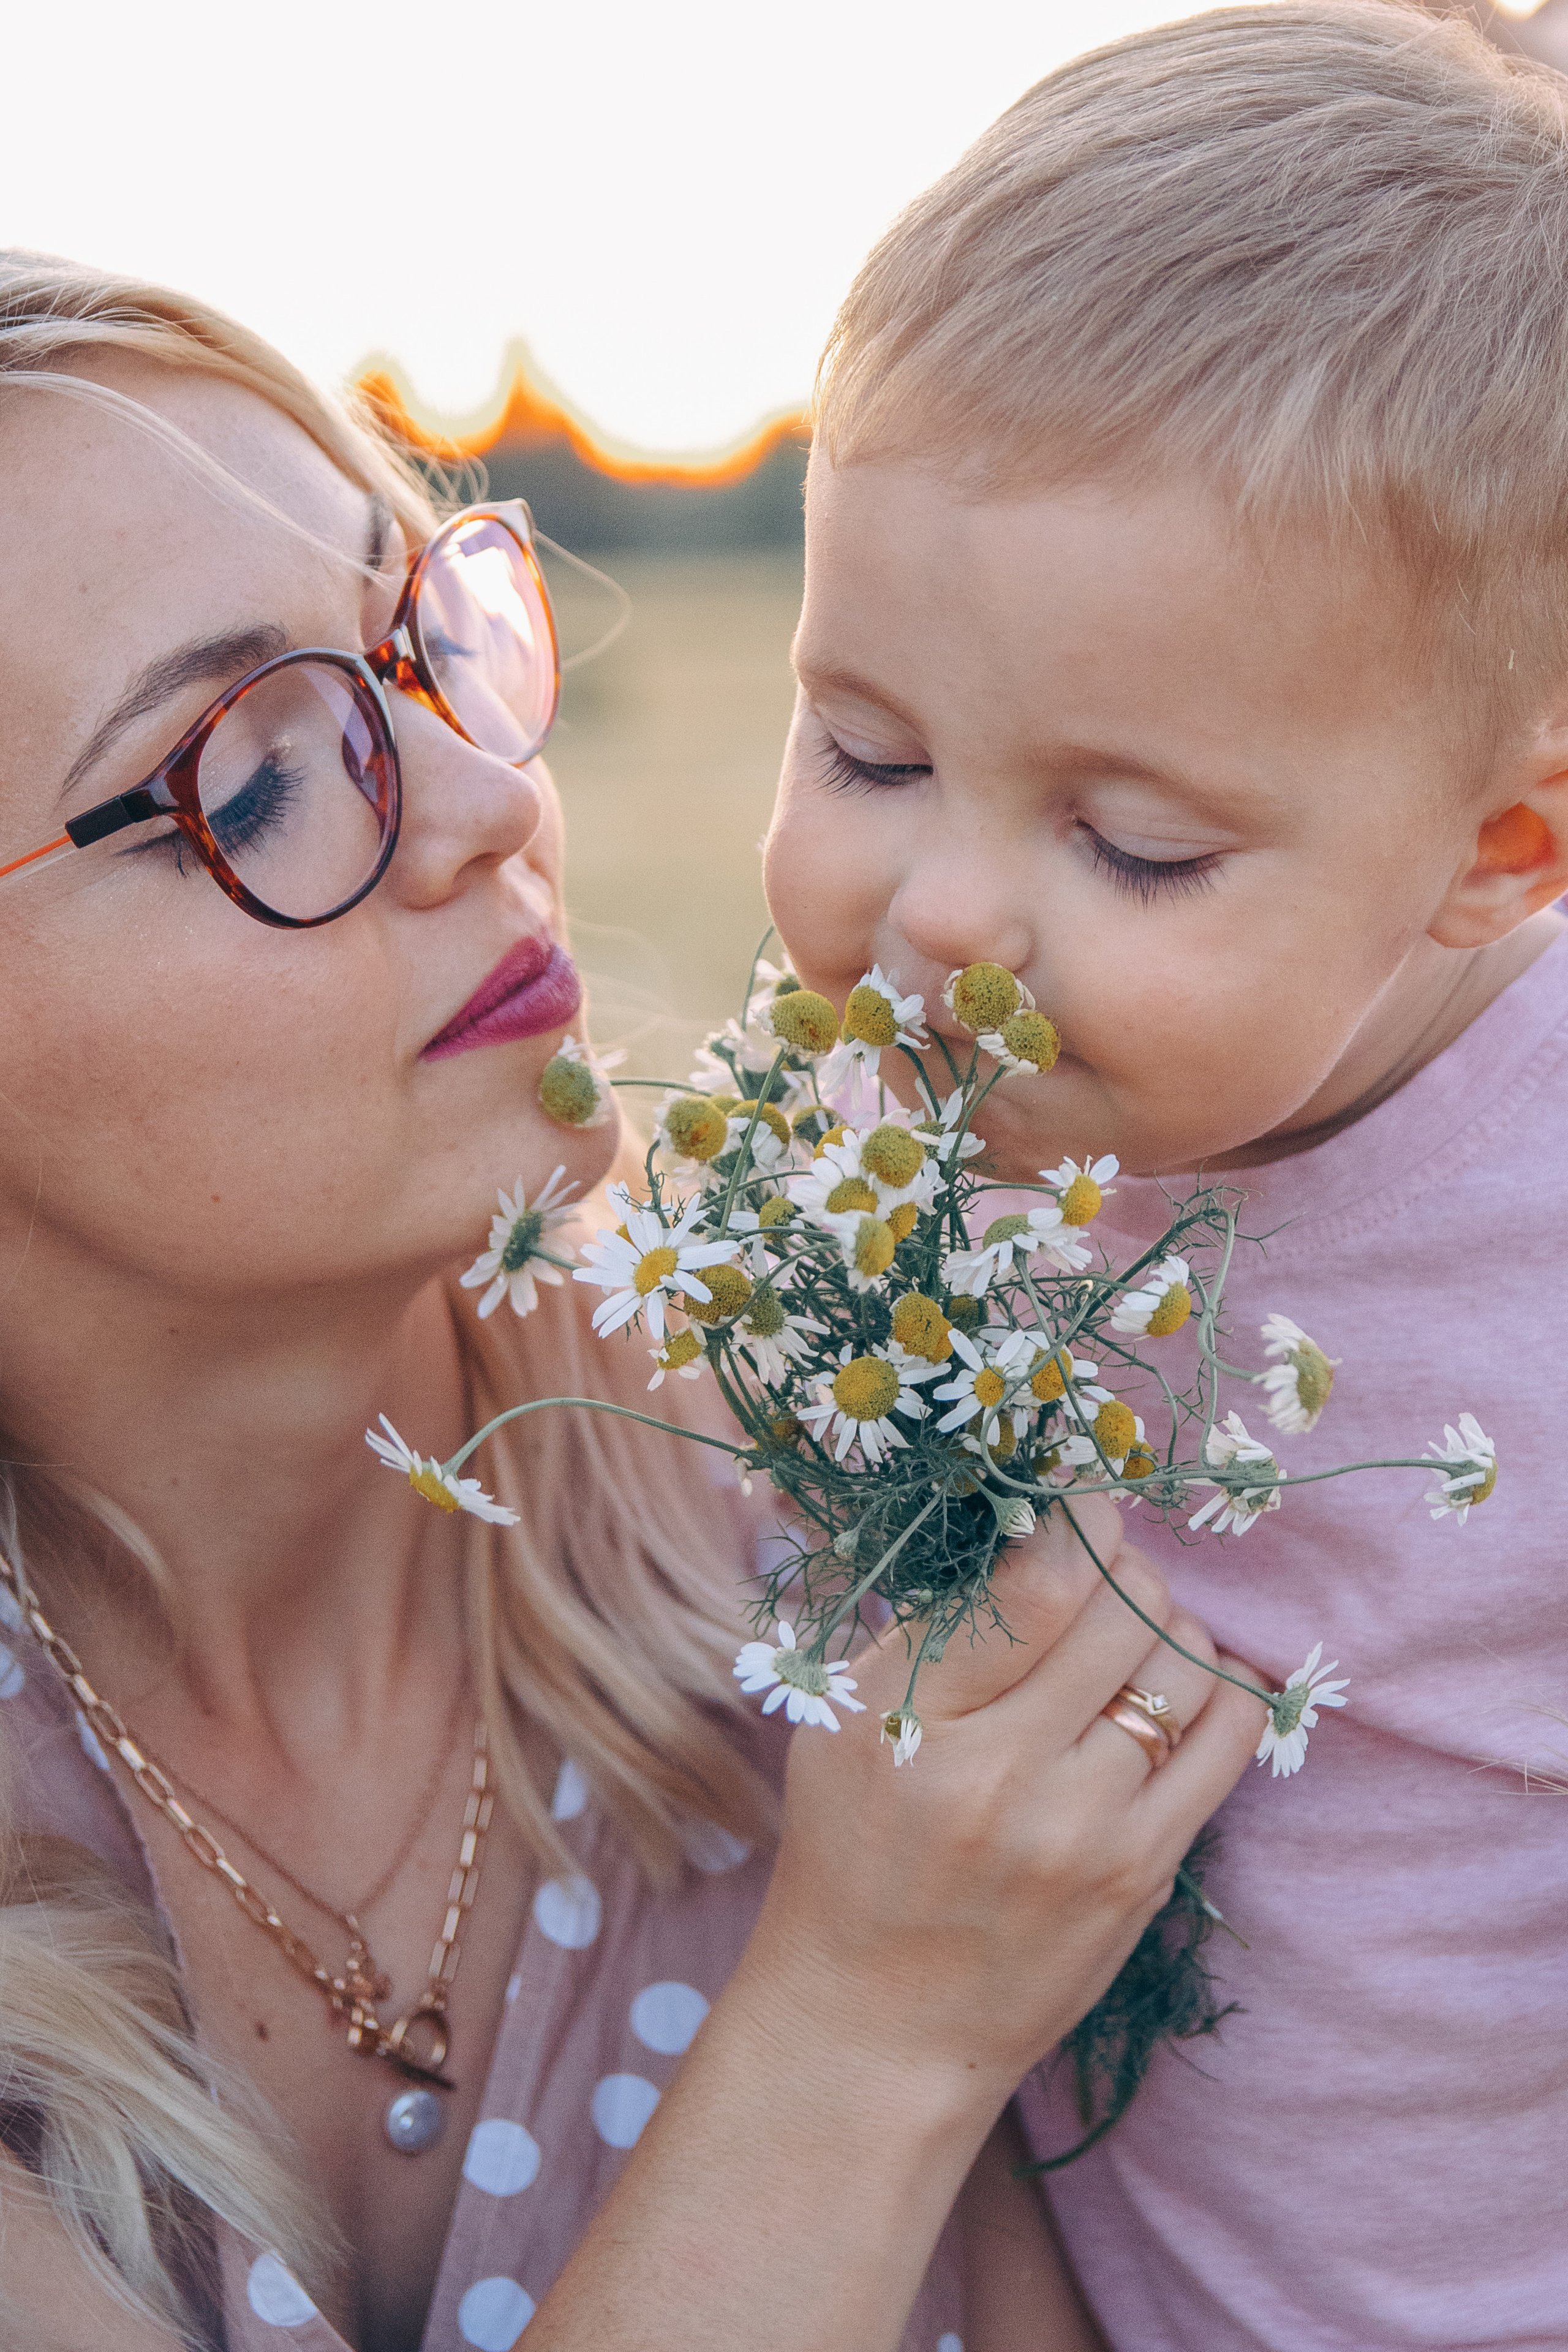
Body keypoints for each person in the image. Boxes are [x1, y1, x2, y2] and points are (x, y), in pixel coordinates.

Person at [0, 254, 1263, 2352]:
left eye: (430, 639)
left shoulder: (840, 1518)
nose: (490, 809)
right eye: (254, 783)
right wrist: (866, 2032)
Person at [761, 4, 1568, 2345]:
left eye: (1130, 843)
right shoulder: (858, 1199)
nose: (938, 923)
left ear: (1495, 853)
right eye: (868, 747)